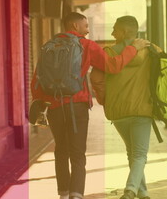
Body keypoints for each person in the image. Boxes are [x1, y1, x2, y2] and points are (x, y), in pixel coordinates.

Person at [31, 12, 150, 199]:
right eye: (86, 26)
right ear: (75, 26)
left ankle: (63, 194)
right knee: (78, 154)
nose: (88, 30)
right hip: (76, 105)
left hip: (53, 107)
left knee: (61, 150)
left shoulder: (48, 47)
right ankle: (76, 195)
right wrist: (133, 49)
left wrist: (43, 104)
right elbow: (112, 66)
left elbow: (36, 82)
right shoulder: (86, 45)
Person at [91, 16, 159, 199]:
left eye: (115, 30)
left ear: (126, 32)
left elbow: (96, 79)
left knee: (133, 153)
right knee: (139, 155)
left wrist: (107, 100)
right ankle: (130, 191)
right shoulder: (152, 50)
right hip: (142, 110)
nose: (112, 33)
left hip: (118, 112)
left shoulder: (108, 53)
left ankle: (142, 193)